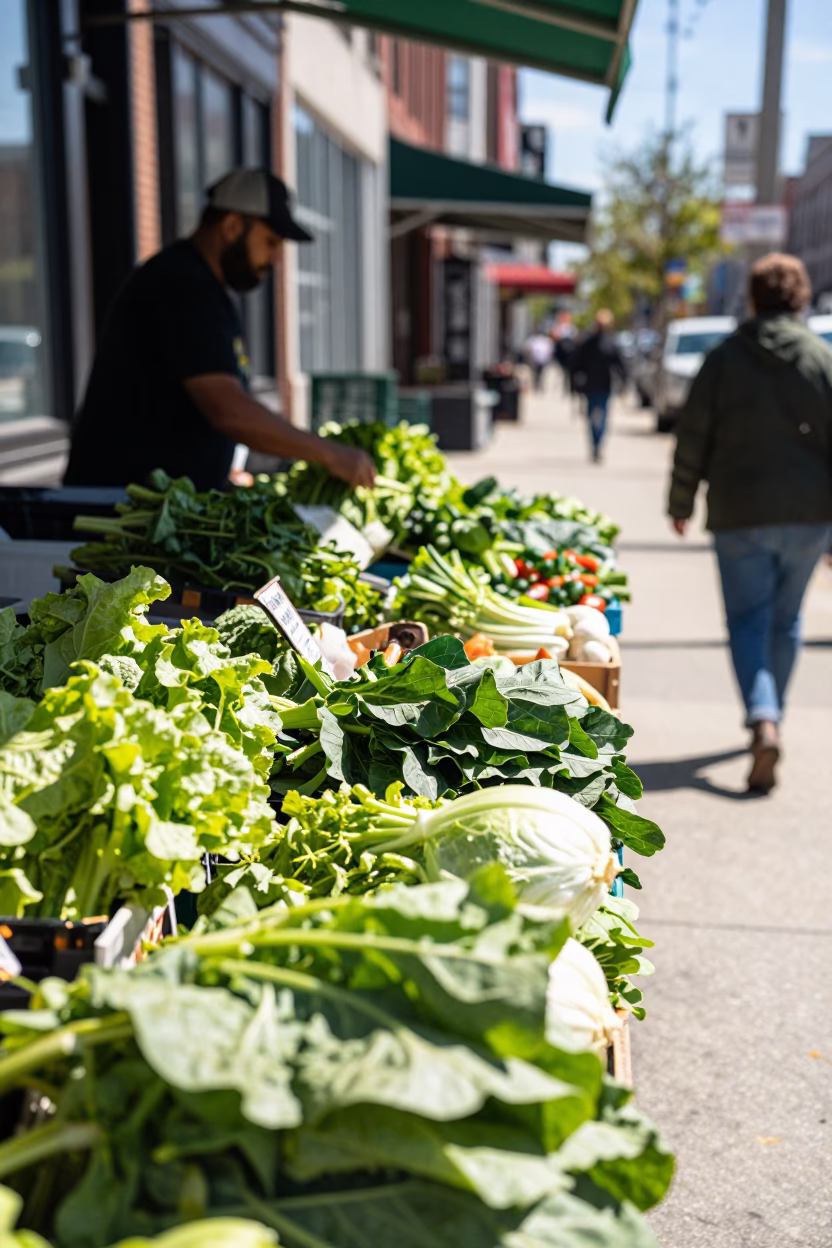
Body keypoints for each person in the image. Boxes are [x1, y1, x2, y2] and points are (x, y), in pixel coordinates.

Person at [65, 168, 375, 492]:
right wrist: (330, 454)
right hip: (116, 511)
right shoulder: (182, 285)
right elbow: (228, 411)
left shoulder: (203, 286)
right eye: (270, 242)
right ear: (232, 226)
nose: (276, 259)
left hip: (155, 507)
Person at [668, 253, 832, 793]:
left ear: (754, 299)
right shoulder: (820, 358)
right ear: (801, 299)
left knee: (747, 623)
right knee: (785, 622)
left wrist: (681, 501)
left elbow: (693, 433)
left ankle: (763, 718)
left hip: (739, 514)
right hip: (809, 517)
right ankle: (772, 718)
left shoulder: (723, 359)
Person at [570, 309, 626, 461]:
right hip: (593, 386)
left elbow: (620, 365)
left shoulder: (607, 343)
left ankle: (597, 445)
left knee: (599, 417)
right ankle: (596, 444)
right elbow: (576, 364)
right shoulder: (590, 343)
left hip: (601, 386)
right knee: (594, 417)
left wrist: (623, 381)